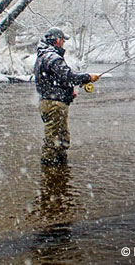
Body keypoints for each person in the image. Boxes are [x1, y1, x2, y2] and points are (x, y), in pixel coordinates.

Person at [34, 27, 99, 166]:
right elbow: (68, 77)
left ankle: (59, 175)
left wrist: (68, 91)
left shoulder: (42, 56)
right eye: (63, 40)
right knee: (54, 142)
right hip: (55, 105)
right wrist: (88, 77)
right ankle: (51, 175)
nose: (63, 43)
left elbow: (55, 80)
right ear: (57, 40)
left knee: (60, 139)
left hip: (48, 102)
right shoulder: (53, 58)